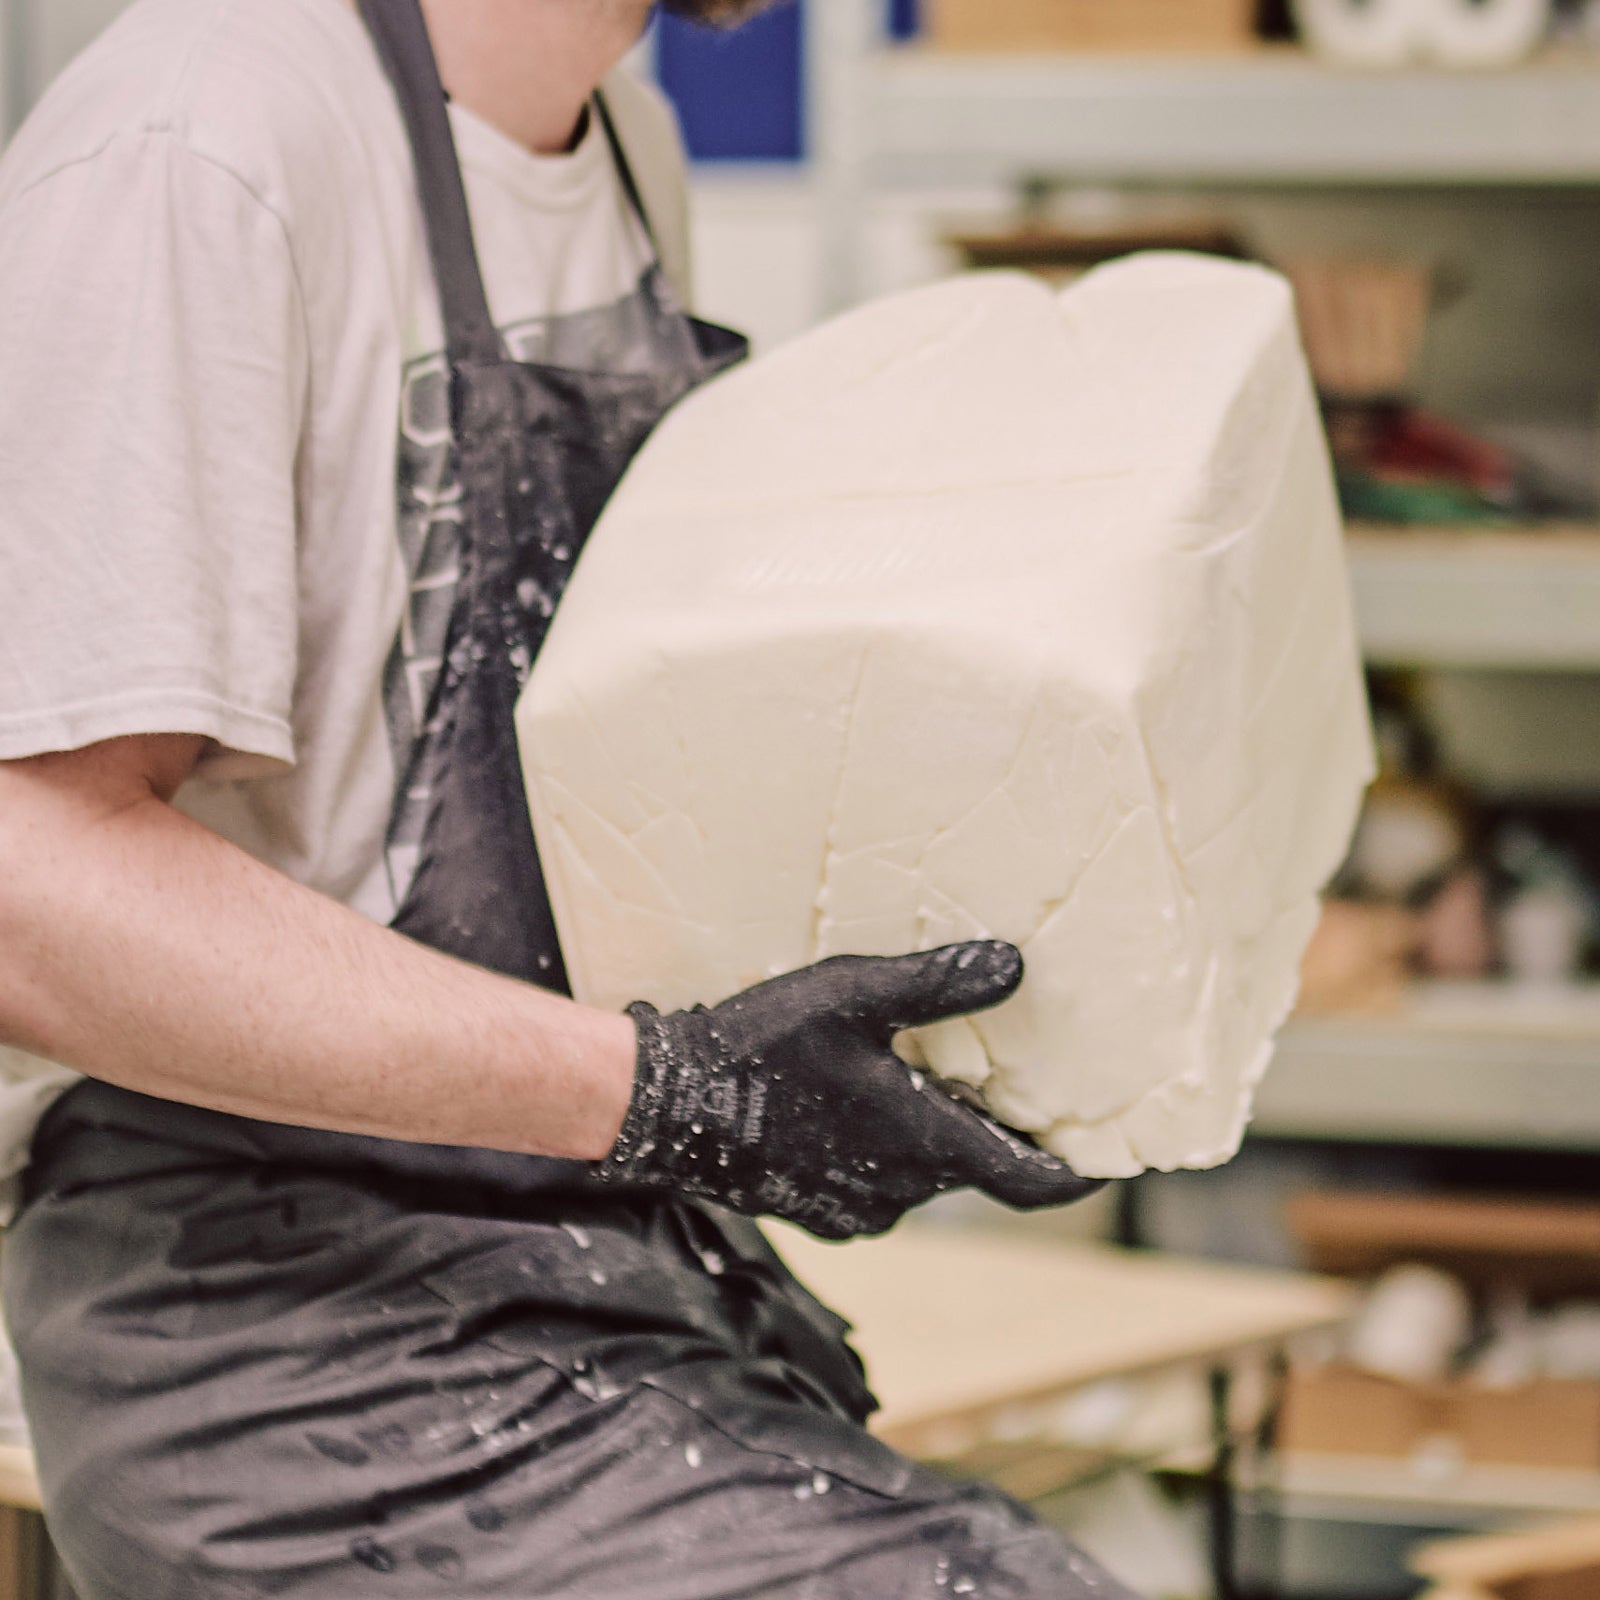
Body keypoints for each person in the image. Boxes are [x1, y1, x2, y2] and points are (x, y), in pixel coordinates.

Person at [0, 1, 1141, 1594]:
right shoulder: (203, 141)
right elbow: (31, 882)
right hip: (282, 1345)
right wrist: (670, 1091)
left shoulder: (623, 145)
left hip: (603, 1268)